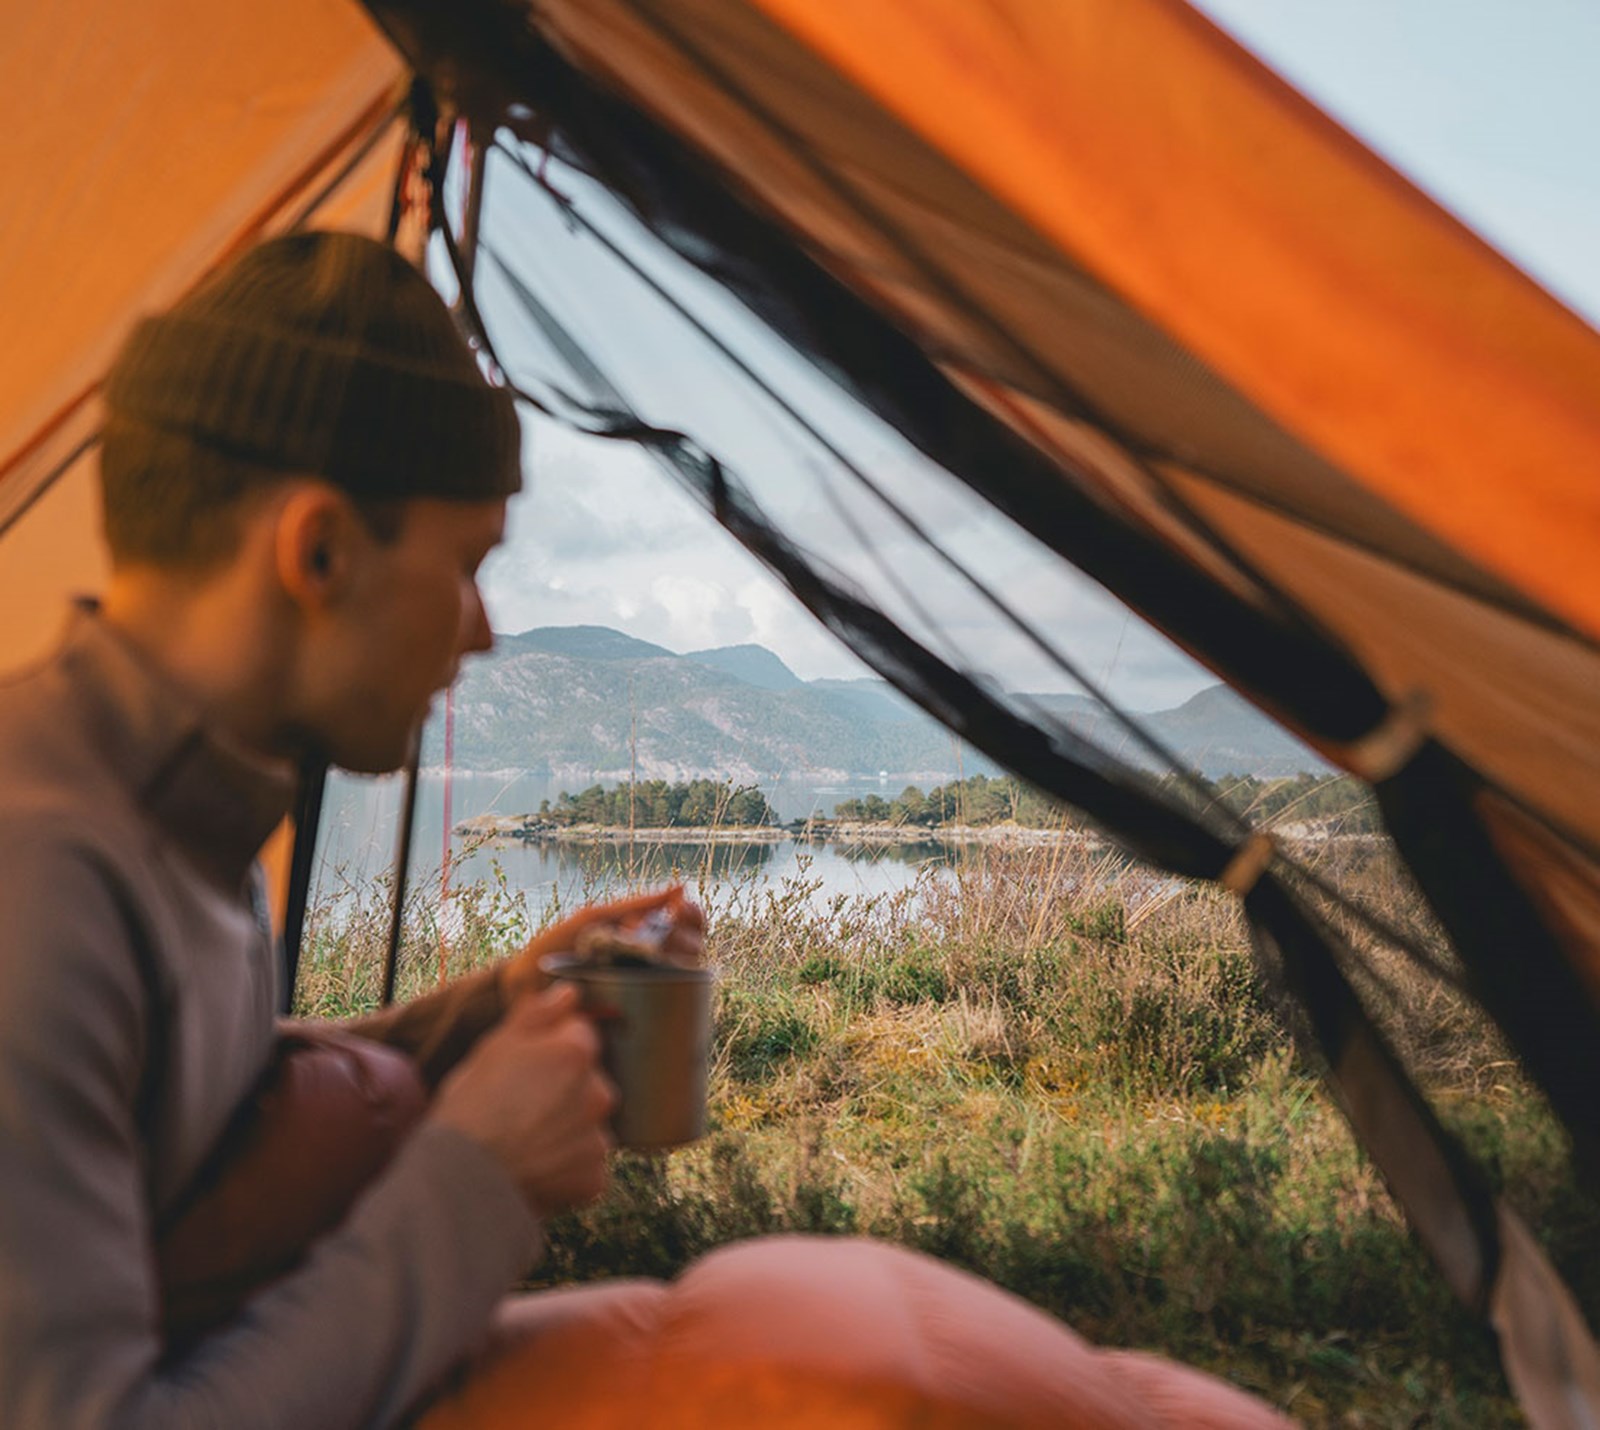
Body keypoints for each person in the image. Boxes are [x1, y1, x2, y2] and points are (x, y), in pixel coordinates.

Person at [0, 229, 700, 1427]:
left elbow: (182, 1110)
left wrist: (491, 1006)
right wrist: (474, 1184)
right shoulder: (40, 884)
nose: (481, 630)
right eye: (468, 562)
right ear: (318, 549)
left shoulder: (174, 807)